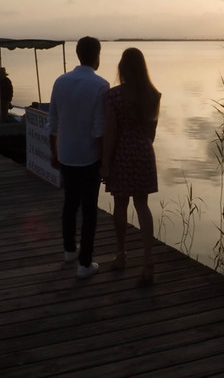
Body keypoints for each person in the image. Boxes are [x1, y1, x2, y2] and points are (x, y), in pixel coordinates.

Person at [47, 36, 110, 279]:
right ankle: (85, 264)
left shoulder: (60, 81)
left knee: (69, 204)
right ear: (97, 55)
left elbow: (52, 122)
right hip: (89, 157)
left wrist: (54, 152)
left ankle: (69, 250)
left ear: (77, 54)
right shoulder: (100, 86)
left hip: (66, 154)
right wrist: (104, 161)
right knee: (90, 210)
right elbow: (98, 129)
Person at [100, 47, 161, 286]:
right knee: (142, 205)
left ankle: (121, 254)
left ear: (122, 67)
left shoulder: (114, 96)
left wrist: (105, 162)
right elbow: (152, 132)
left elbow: (110, 132)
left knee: (121, 204)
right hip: (145, 152)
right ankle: (148, 260)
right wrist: (142, 146)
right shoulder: (153, 95)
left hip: (122, 154)